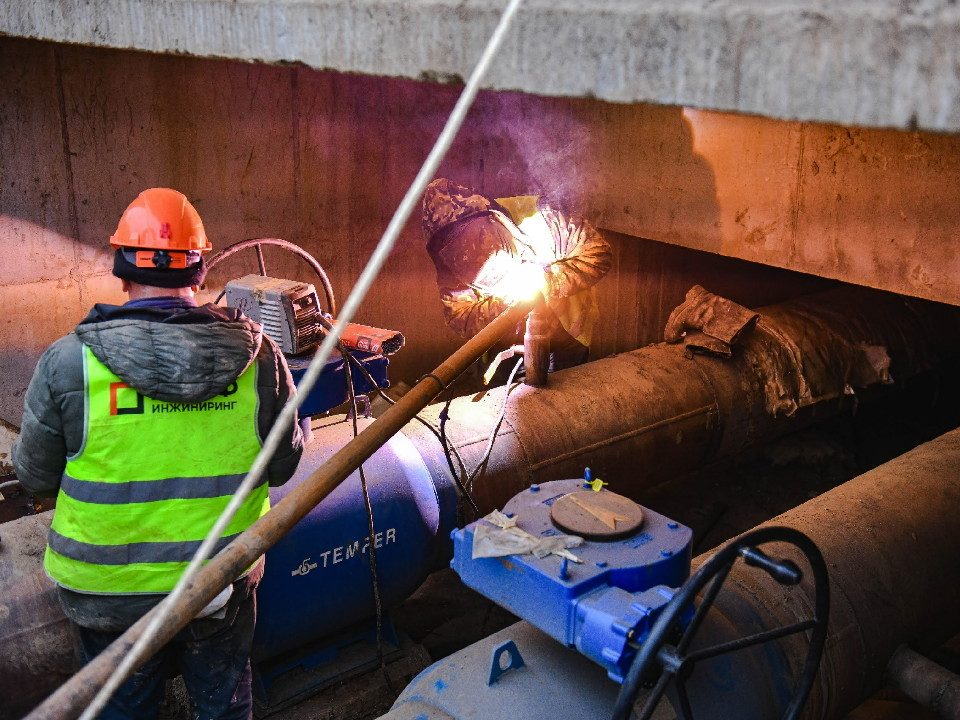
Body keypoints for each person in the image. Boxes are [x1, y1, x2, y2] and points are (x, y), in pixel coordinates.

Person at [12, 188, 304, 720]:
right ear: (198, 272)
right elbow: (284, 465)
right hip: (216, 584)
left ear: (123, 270)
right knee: (223, 708)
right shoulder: (259, 357)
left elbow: (33, 475)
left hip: (107, 593)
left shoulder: (67, 363)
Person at [422, 178, 612, 371]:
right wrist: (504, 304)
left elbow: (598, 254)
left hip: (567, 338)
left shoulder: (544, 216)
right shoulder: (449, 261)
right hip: (505, 349)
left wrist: (548, 280)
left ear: (495, 219)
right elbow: (460, 317)